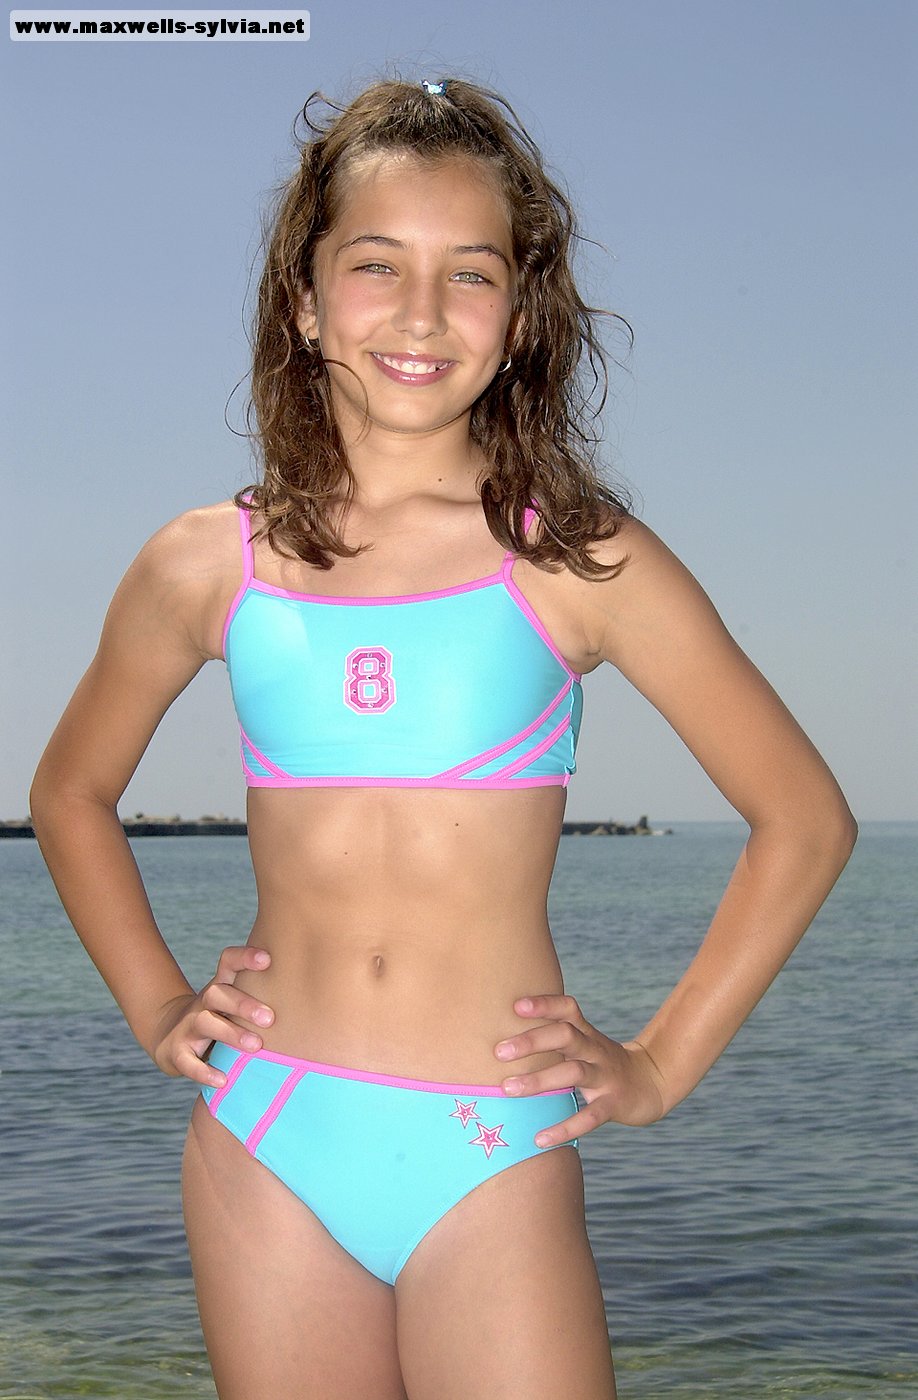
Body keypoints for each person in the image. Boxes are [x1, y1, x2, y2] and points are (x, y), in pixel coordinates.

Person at [29, 76, 857, 1400]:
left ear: (519, 320)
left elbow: (803, 820)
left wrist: (658, 1063)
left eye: (470, 274)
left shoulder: (576, 560)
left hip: (491, 1145)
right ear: (304, 301)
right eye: (376, 264)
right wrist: (157, 1006)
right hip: (267, 1129)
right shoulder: (207, 564)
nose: (420, 314)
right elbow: (71, 792)